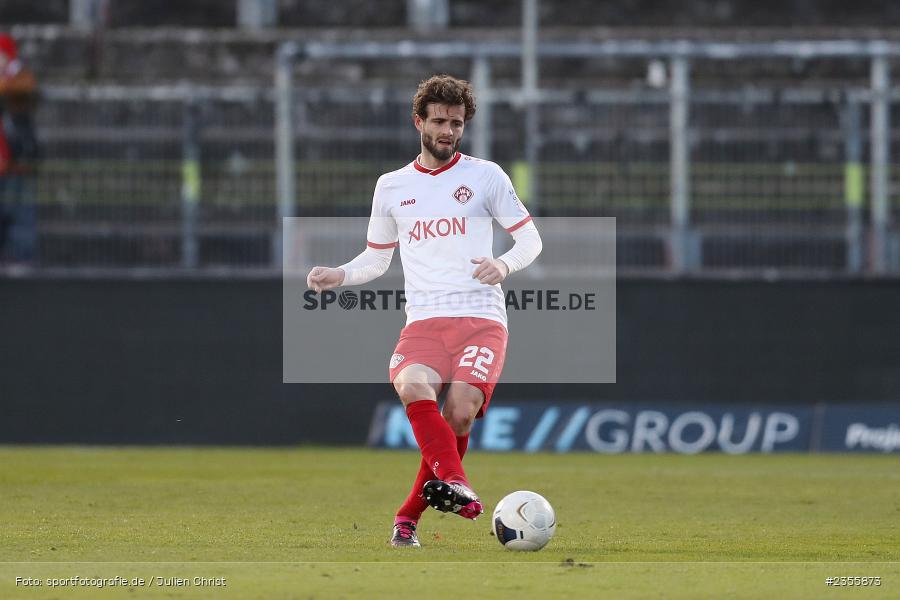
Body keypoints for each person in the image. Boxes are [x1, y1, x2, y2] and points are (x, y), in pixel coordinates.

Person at [306, 74, 543, 547]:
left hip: (481, 319)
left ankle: (407, 517)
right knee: (411, 384)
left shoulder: (486, 176)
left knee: (458, 414)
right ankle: (458, 489)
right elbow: (376, 258)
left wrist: (503, 263)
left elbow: (530, 238)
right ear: (419, 121)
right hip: (425, 321)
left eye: (456, 123)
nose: (448, 131)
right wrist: (340, 274)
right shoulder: (392, 186)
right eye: (439, 120)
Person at [0, 33, 39, 264]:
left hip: (16, 165)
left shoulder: (20, 78)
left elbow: (24, 89)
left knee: (19, 216)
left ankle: (21, 261)